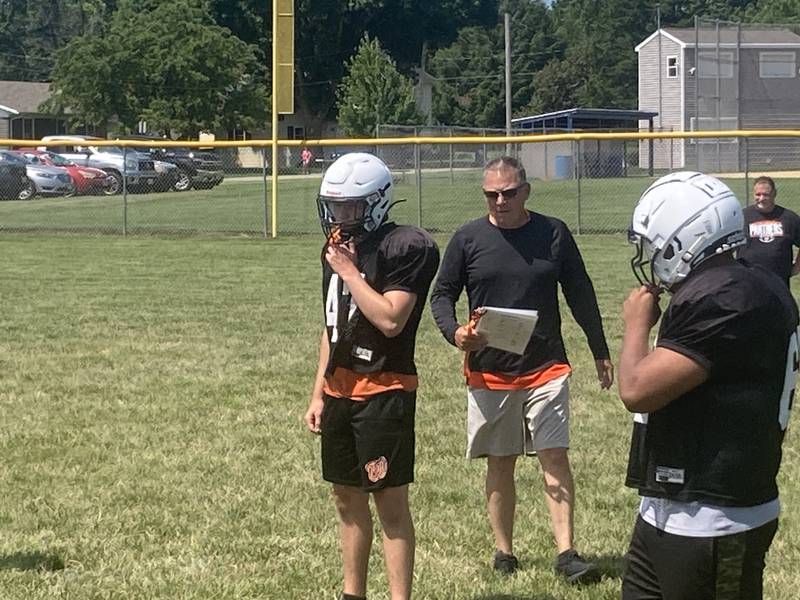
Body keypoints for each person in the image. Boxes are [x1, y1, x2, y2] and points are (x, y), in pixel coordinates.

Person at [429, 156, 614, 583]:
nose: (499, 201)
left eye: (508, 193)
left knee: (554, 455)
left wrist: (599, 349)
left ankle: (567, 554)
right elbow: (441, 295)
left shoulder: (553, 233)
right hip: (490, 371)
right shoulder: (468, 238)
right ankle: (504, 552)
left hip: (546, 366)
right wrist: (456, 333)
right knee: (501, 461)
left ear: (526, 191)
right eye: (491, 194)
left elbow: (580, 293)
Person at [620, 171, 799, 600]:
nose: (649, 256)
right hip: (674, 503)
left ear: (683, 241)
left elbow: (637, 389)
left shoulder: (726, 297)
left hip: (715, 512)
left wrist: (635, 327)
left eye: (655, 244)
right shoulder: (745, 284)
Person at [304, 152, 440, 600]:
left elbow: (390, 319)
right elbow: (333, 325)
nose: (341, 217)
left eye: (351, 208)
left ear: (378, 203)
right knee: (345, 497)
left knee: (389, 502)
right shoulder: (338, 247)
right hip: (340, 388)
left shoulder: (406, 246)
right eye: (336, 207)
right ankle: (352, 593)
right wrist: (318, 390)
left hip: (385, 387)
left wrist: (349, 270)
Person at [737, 175, 800, 287]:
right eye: (758, 194)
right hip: (748, 281)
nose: (761, 198)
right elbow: (726, 247)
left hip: (779, 282)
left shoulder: (789, 218)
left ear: (774, 194)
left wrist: (797, 267)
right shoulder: (742, 217)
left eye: (766, 195)